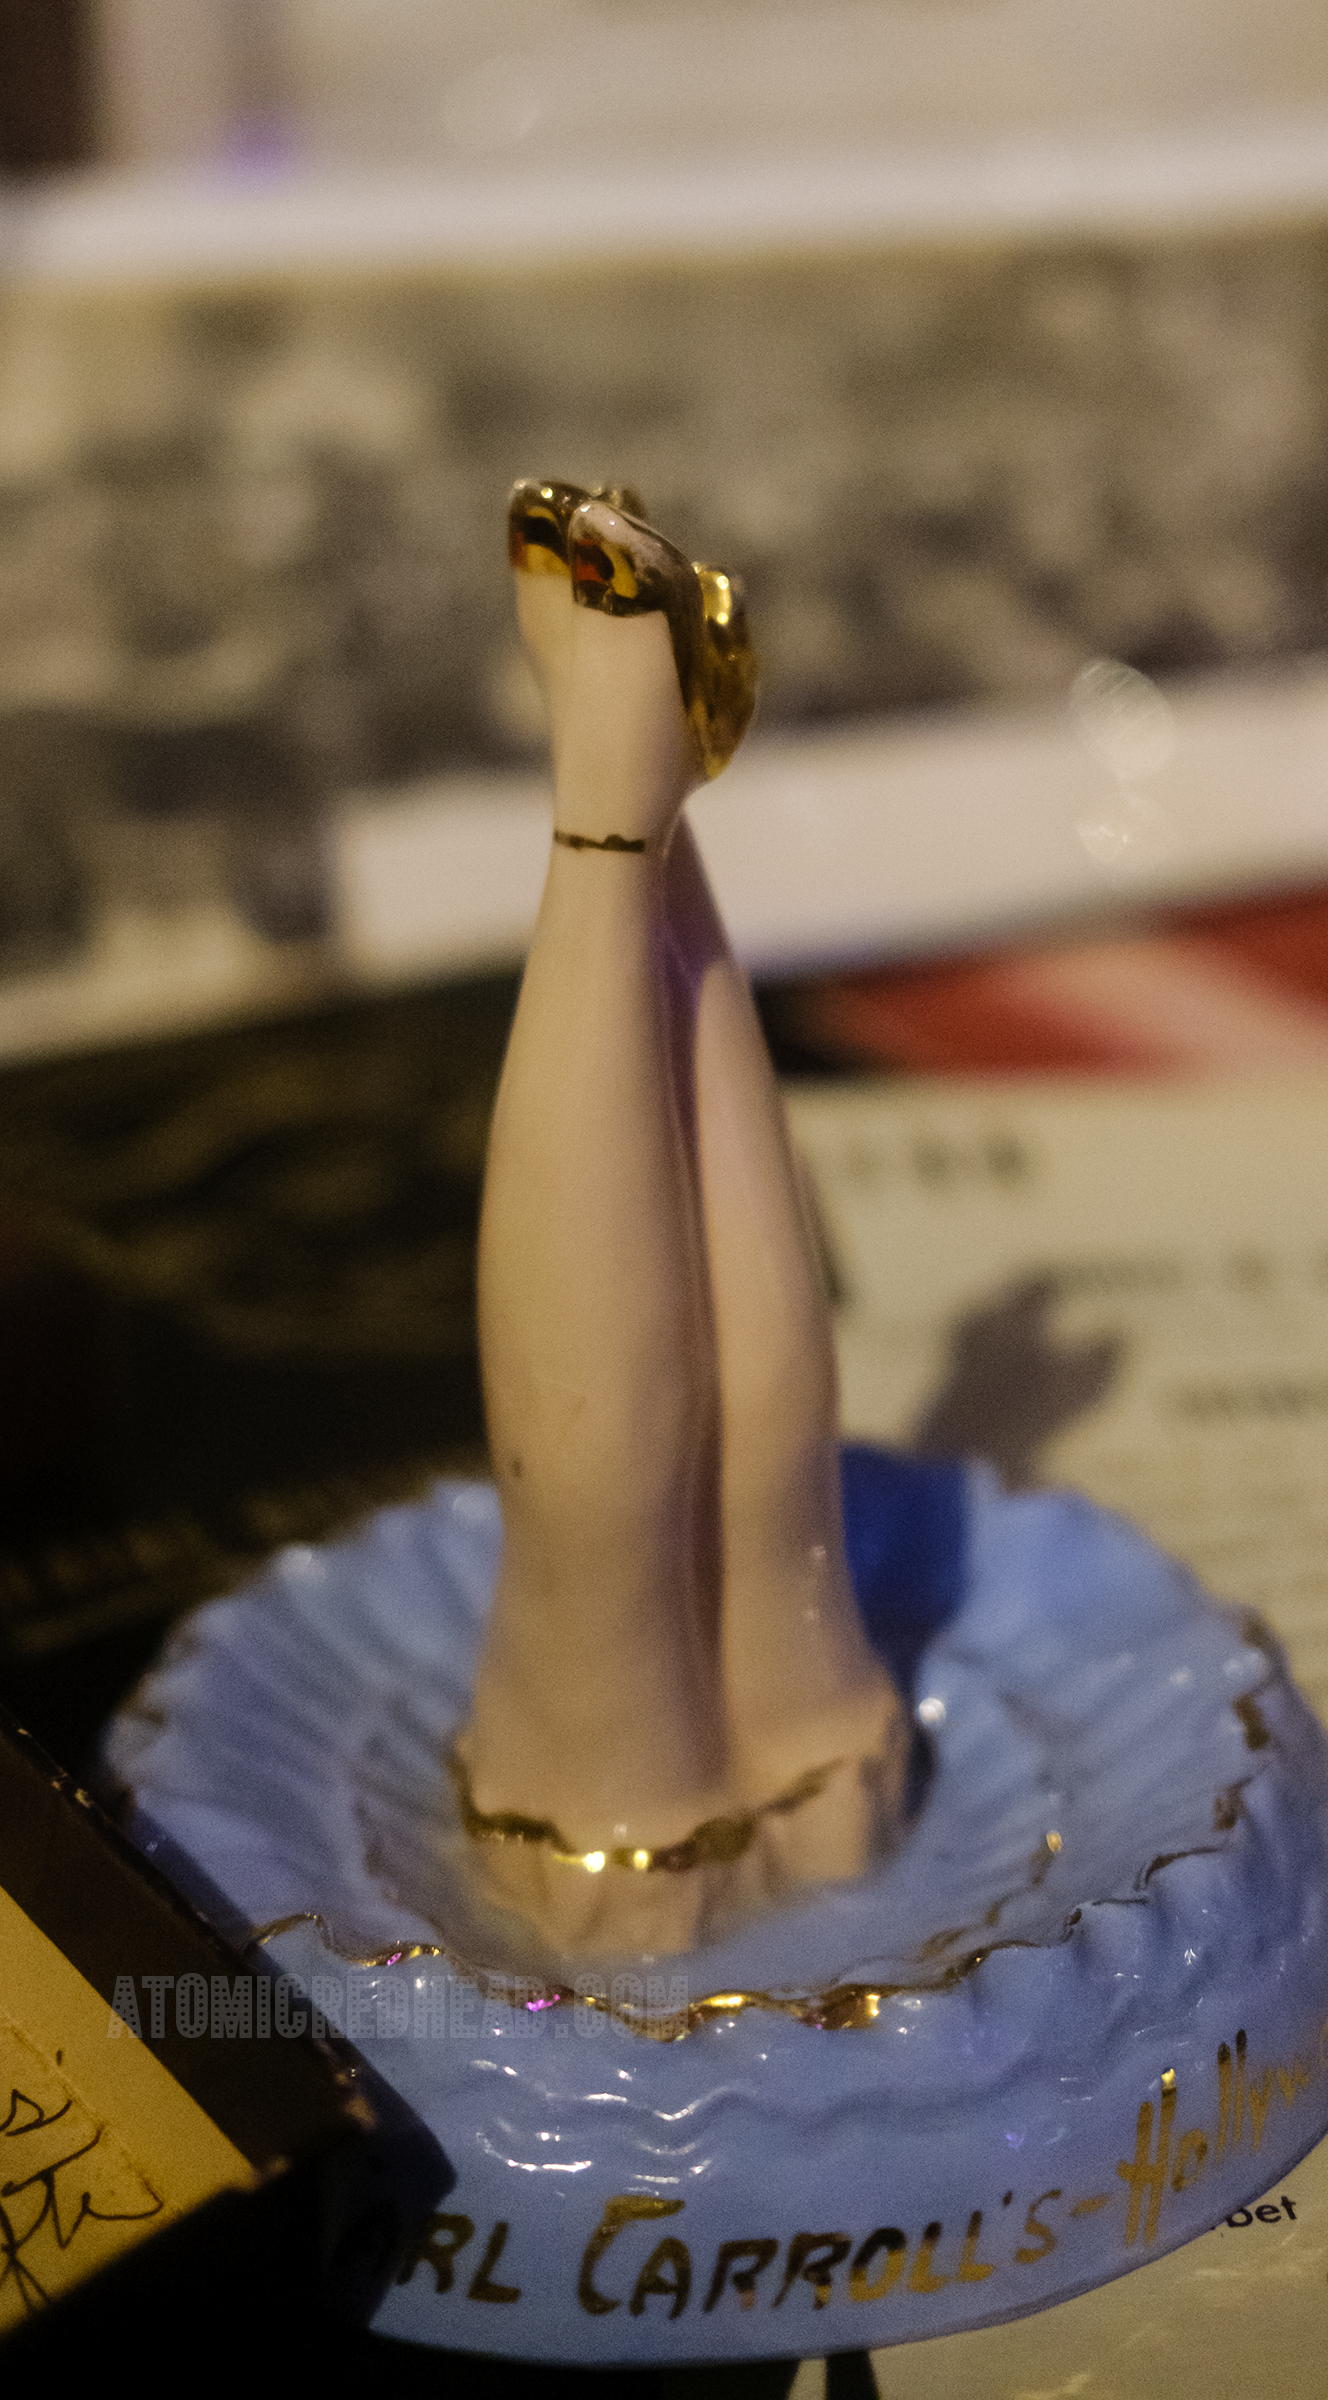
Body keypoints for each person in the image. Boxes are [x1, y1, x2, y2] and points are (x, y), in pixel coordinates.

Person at [458, 482, 907, 1952]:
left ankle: (620, 783)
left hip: (622, 1813)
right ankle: (629, 773)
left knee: (685, 1468)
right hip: (730, 1771)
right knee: (740, 1461)